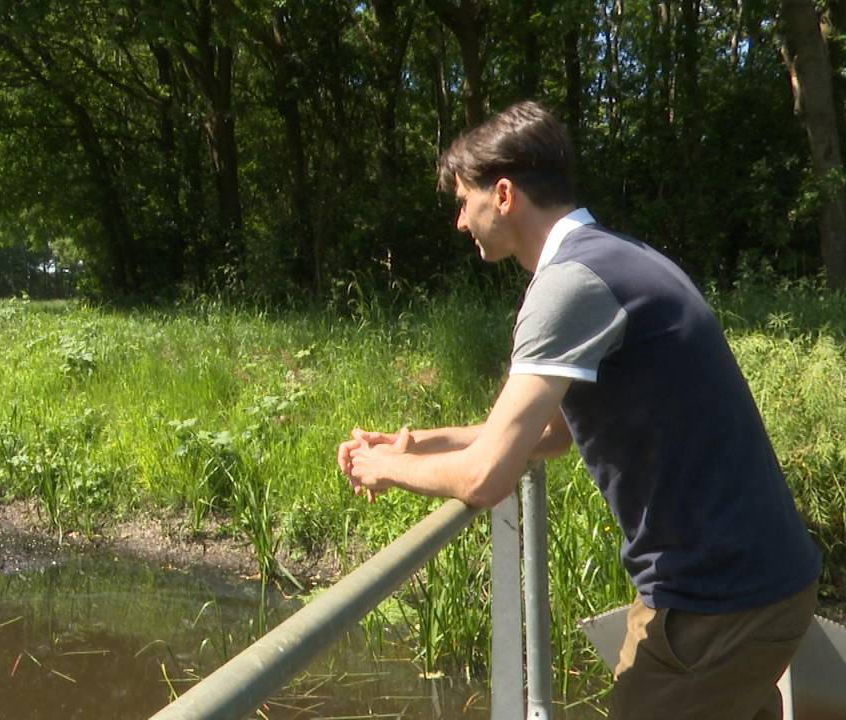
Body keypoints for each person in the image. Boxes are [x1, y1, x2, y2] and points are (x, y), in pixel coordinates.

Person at [336, 100, 822, 719]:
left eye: (465, 201)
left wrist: (381, 469)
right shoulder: (614, 256)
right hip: (754, 585)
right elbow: (556, 430)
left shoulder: (569, 284)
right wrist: (422, 444)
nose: (461, 221)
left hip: (720, 601)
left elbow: (488, 479)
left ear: (504, 195)